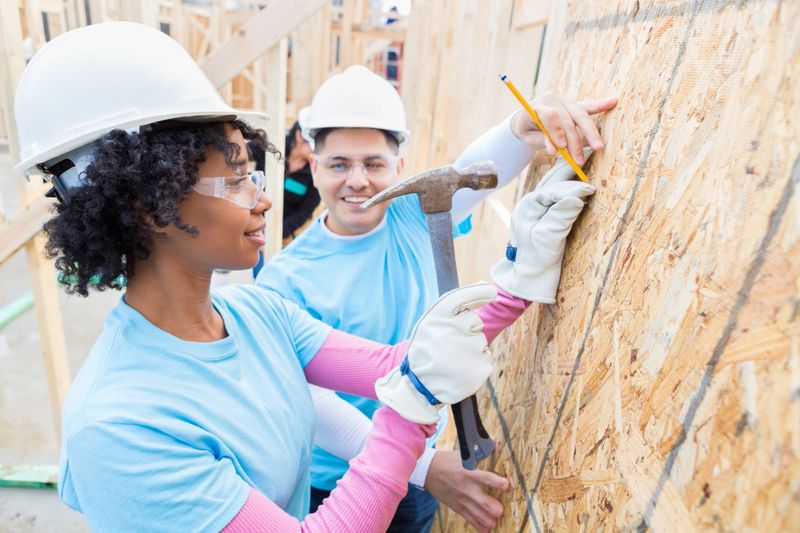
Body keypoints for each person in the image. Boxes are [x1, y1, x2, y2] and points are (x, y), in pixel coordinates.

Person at [13, 22, 545, 532]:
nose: (267, 199)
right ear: (152, 208)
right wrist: (409, 416)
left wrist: (522, 277)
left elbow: (399, 362)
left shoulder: (254, 313)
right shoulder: (121, 429)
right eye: (238, 181)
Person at [257, 65, 616, 531]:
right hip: (339, 480)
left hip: (419, 474)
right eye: (339, 164)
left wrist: (520, 130)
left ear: (400, 167)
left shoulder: (414, 215)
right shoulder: (284, 280)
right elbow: (312, 402)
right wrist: (425, 468)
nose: (358, 180)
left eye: (374, 163)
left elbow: (477, 165)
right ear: (314, 165)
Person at [248, 108, 319, 244]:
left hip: (278, 235)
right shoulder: (273, 146)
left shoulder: (315, 171)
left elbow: (302, 213)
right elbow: (243, 152)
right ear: (299, 136)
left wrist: (272, 236)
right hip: (249, 221)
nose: (315, 152)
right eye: (312, 147)